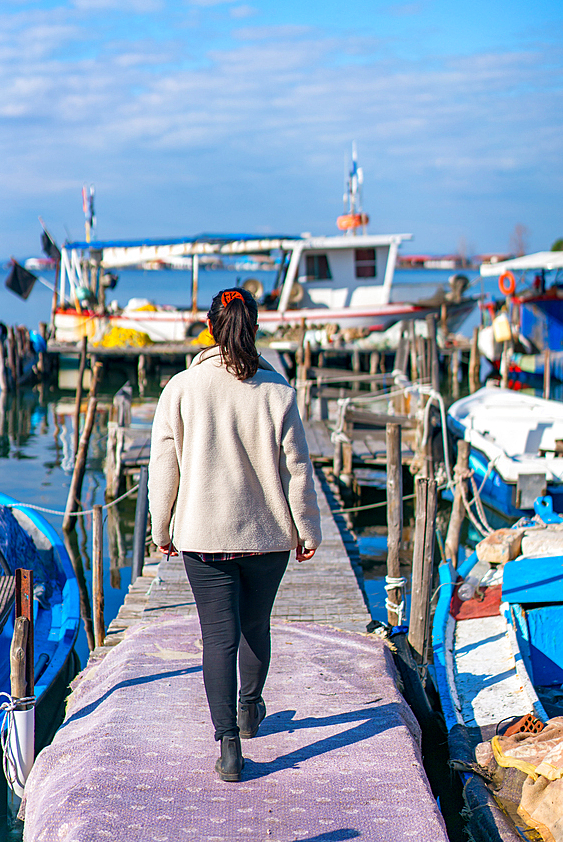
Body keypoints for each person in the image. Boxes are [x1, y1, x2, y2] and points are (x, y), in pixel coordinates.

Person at [148, 286, 321, 782]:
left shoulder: (180, 388)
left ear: (209, 328)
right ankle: (249, 710)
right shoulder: (279, 392)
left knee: (217, 638)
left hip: (204, 538)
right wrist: (306, 529)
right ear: (256, 328)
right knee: (254, 625)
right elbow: (298, 471)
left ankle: (228, 746)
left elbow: (165, 468)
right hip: (267, 536)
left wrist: (162, 527)